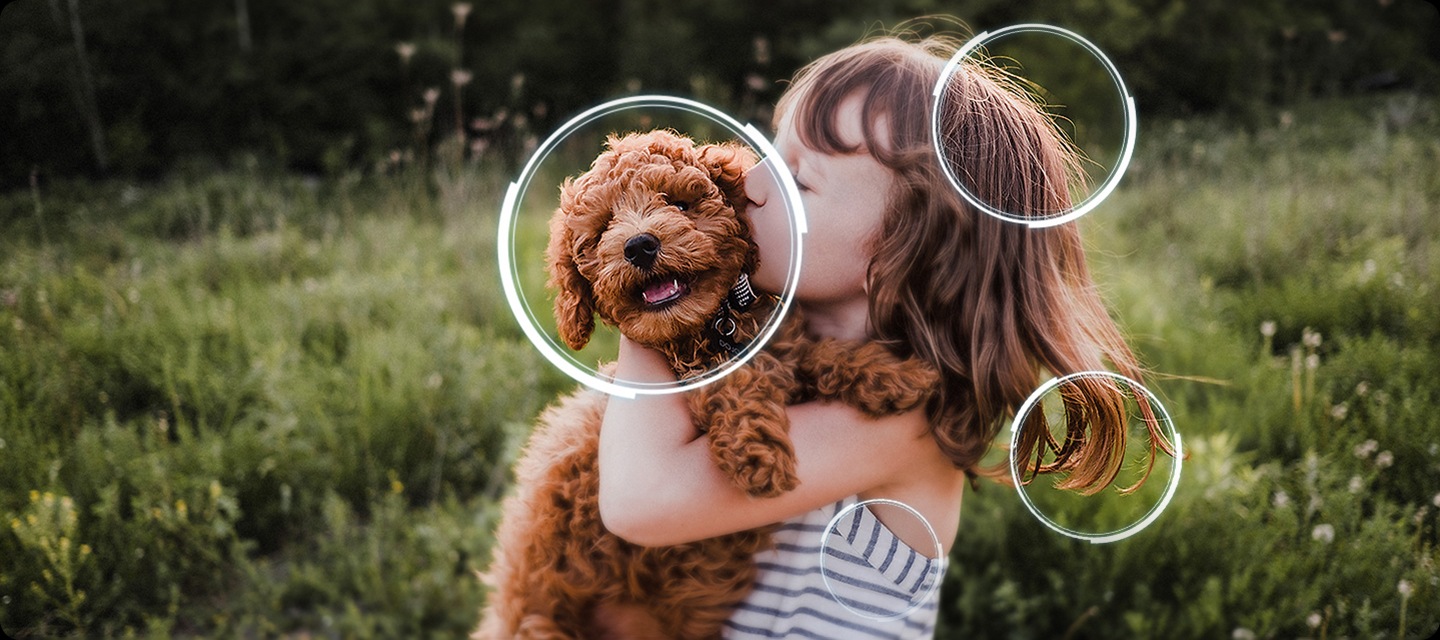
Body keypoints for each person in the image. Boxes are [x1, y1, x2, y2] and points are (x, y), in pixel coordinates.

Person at [597, 32, 1156, 638]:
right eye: (768, 154)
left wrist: (647, 306)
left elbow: (638, 500)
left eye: (798, 180)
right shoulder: (769, 349)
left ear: (895, 252)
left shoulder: (899, 417)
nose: (749, 184)